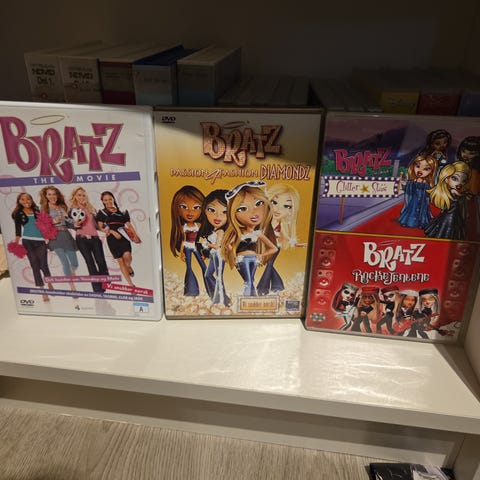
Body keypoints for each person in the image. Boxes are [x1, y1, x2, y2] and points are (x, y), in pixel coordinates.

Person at [221, 181, 277, 297]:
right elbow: (227, 245)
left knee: (250, 280)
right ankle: (248, 300)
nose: (253, 212)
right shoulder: (238, 232)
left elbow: (273, 248)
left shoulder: (258, 233)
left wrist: (261, 255)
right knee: (248, 281)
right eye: (242, 208)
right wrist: (233, 253)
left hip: (253, 258)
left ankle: (251, 300)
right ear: (233, 213)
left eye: (259, 203)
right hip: (242, 259)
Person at [257, 183, 303, 295]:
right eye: (274, 202)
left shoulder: (280, 224)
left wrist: (296, 244)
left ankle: (263, 288)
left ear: (291, 211)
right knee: (269, 264)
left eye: (286, 206)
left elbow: (286, 237)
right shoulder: (264, 221)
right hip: (266, 246)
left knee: (269, 264)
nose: (278, 209)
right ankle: (278, 286)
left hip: (276, 247)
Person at [11, 192, 52, 301]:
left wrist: (48, 236)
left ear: (31, 200)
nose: (26, 201)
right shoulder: (18, 213)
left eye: (28, 199)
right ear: (19, 201)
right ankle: (43, 291)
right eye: (23, 199)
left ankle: (49, 282)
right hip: (27, 241)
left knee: (44, 265)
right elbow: (18, 230)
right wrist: (16, 243)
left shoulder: (37, 211)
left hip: (41, 241)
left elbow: (45, 224)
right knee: (34, 265)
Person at [39, 185, 79, 293]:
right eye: (49, 194)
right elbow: (42, 226)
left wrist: (68, 218)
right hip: (55, 237)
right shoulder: (44, 209)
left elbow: (70, 223)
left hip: (66, 235)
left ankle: (71, 271)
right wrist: (53, 221)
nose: (52, 196)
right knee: (65, 262)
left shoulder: (62, 207)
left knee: (75, 263)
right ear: (46, 196)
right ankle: (72, 286)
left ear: (57, 195)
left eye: (54, 194)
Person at [69, 187, 109, 293]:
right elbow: (69, 223)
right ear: (74, 196)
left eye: (83, 195)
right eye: (79, 195)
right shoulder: (72, 210)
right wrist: (75, 224)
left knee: (101, 261)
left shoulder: (91, 209)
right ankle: (97, 289)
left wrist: (105, 228)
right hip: (82, 240)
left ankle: (105, 283)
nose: (81, 197)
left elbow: (98, 224)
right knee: (90, 263)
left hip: (95, 239)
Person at [96, 191, 140, 286]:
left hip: (124, 236)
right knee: (120, 261)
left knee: (128, 256)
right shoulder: (101, 213)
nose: (108, 201)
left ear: (113, 199)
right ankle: (131, 284)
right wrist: (112, 231)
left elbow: (129, 225)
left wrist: (135, 235)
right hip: (111, 239)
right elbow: (100, 227)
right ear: (102, 201)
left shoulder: (122, 212)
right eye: (105, 200)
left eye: (110, 199)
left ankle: (128, 266)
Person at [170, 185, 206, 296]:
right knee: (189, 267)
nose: (190, 212)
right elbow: (183, 240)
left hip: (196, 246)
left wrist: (204, 251)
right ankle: (191, 290)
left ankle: (212, 288)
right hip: (187, 246)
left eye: (196, 207)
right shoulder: (183, 227)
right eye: (184, 207)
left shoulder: (198, 225)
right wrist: (181, 252)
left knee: (204, 266)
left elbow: (202, 239)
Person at [197, 189, 230, 306]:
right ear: (205, 210)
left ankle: (221, 301)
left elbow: (217, 246)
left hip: (220, 255)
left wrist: (205, 243)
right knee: (208, 275)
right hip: (213, 255)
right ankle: (219, 298)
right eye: (212, 210)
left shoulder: (221, 231)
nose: (217, 216)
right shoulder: (213, 230)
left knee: (219, 277)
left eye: (224, 212)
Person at [424, 161, 471, 240]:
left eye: (463, 181)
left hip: (454, 215)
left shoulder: (455, 192)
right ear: (446, 179)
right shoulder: (453, 191)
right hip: (449, 216)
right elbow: (458, 197)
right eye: (455, 178)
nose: (459, 183)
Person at [398, 154, 437, 228]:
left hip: (423, 200)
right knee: (411, 209)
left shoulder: (426, 183)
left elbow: (428, 193)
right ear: (413, 166)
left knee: (422, 211)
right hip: (414, 199)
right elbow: (408, 190)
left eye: (426, 169)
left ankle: (421, 223)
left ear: (431, 172)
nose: (420, 170)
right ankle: (408, 221)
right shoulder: (412, 181)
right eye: (418, 166)